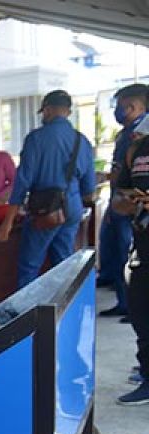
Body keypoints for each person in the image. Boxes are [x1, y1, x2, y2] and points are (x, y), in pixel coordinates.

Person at [0, 90, 96, 289]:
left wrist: (8, 221)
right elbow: (89, 188)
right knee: (64, 264)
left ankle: (27, 315)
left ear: (48, 110)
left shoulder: (36, 139)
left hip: (45, 209)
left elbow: (23, 181)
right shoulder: (82, 141)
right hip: (73, 207)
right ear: (68, 112)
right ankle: (63, 312)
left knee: (29, 266)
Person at [97, 84, 147, 316]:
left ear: (134, 106)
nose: (117, 112)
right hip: (128, 210)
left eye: (120, 107)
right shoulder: (131, 139)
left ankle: (128, 303)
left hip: (135, 215)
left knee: (124, 252)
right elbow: (123, 179)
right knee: (120, 254)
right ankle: (126, 303)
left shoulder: (137, 136)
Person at [112, 115, 149, 404]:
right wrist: (126, 202)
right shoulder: (136, 148)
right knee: (141, 314)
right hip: (143, 247)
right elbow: (119, 194)